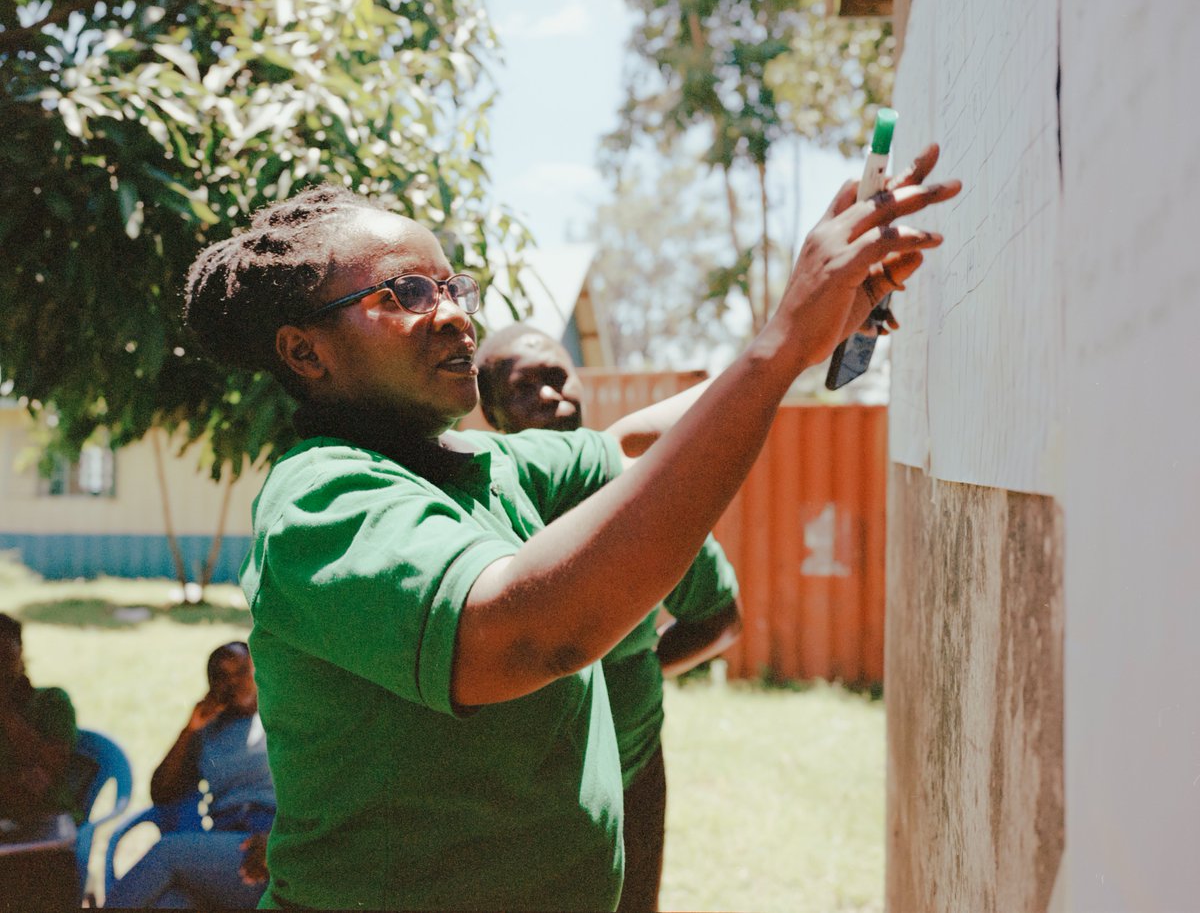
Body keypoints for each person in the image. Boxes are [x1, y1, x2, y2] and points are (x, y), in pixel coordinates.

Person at [181, 145, 957, 910]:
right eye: (405, 292)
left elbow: (633, 447)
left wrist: (809, 338)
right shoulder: (324, 498)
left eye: (454, 286)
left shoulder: (484, 465)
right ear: (305, 351)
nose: (452, 312)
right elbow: (526, 633)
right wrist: (779, 341)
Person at [476, 324, 742, 912]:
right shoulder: (477, 501)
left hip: (631, 767)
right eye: (526, 387)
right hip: (518, 791)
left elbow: (719, 618)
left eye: (558, 378)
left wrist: (632, 664)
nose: (551, 396)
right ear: (492, 414)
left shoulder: (638, 490)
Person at [104, 641, 274, 908]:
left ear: (258, 670)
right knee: (171, 904)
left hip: (268, 842)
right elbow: (161, 792)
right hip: (223, 846)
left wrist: (277, 839)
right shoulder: (209, 730)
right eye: (221, 676)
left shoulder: (279, 717)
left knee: (167, 852)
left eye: (241, 671)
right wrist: (190, 729)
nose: (233, 683)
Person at [0, 613, 79, 911]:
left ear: (20, 656)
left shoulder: (51, 702)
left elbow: (49, 772)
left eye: (5, 660)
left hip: (44, 828)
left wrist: (6, 711)